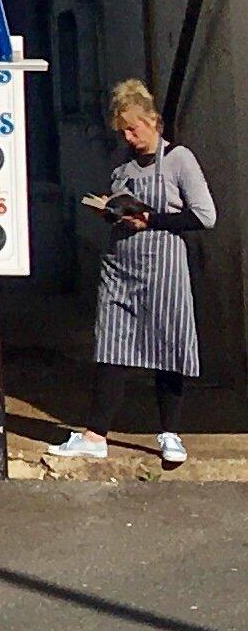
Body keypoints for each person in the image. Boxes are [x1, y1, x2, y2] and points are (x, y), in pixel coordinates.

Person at [49, 79, 217, 469]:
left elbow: (205, 216)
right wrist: (111, 210)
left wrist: (152, 220)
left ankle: (170, 434)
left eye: (134, 128)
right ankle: (95, 435)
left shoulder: (179, 160)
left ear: (153, 121)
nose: (128, 136)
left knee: (169, 345)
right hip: (121, 266)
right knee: (112, 346)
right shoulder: (123, 169)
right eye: (123, 130)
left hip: (164, 266)